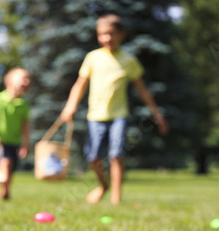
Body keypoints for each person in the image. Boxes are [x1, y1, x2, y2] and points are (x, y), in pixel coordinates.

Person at [60, 14, 168, 205]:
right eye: (102, 34)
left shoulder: (128, 60)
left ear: (121, 34)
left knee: (116, 155)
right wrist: (71, 106)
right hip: (96, 115)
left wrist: (156, 114)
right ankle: (103, 185)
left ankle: (116, 199)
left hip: (119, 115)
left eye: (111, 34)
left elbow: (142, 90)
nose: (107, 38)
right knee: (94, 158)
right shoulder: (93, 58)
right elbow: (80, 85)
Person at [0, 67, 31, 200]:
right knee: (5, 163)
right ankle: (3, 189)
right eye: (23, 78)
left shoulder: (23, 104)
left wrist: (25, 144)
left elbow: (25, 126)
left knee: (11, 168)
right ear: (9, 81)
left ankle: (5, 190)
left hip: (15, 142)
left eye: (28, 78)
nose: (27, 81)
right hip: (1, 141)